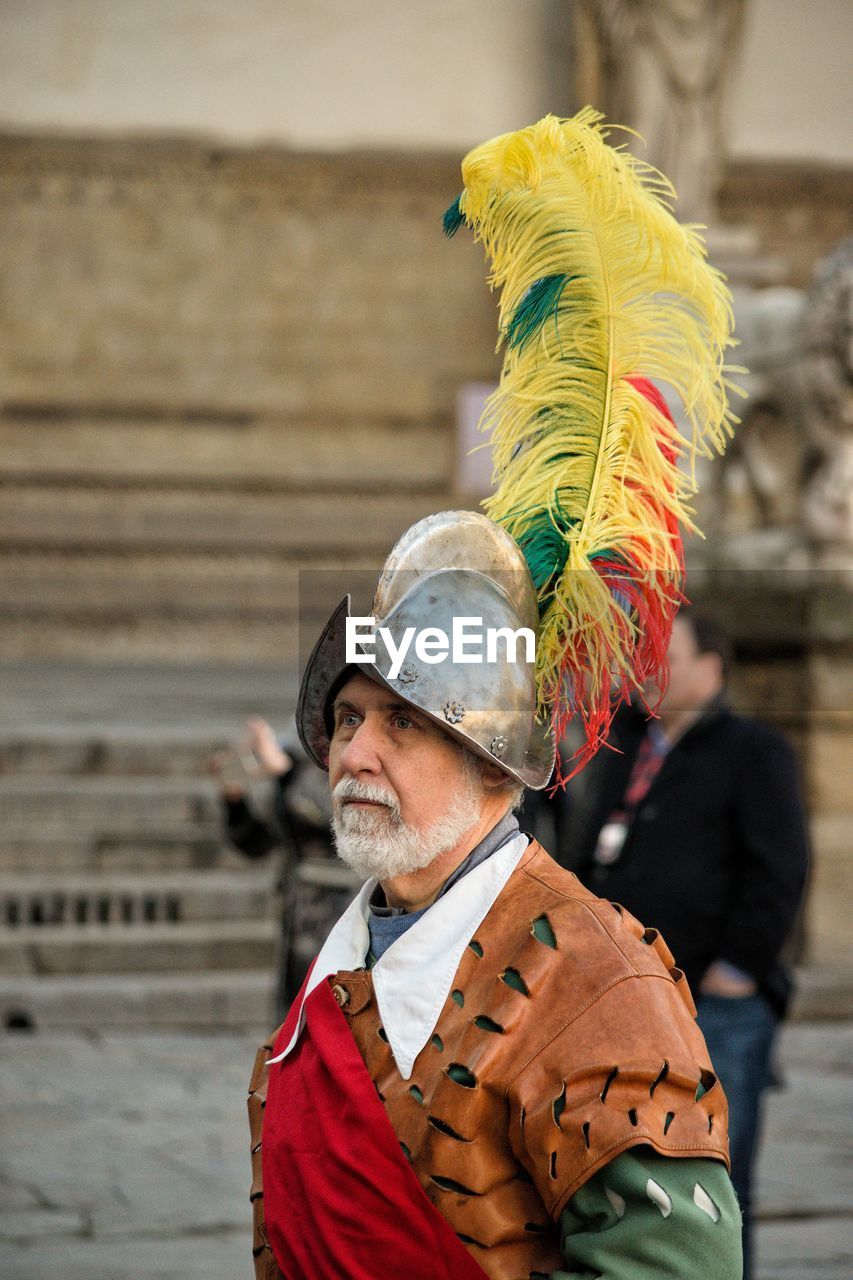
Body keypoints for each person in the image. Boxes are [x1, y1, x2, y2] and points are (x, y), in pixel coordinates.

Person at [247, 111, 744, 1279]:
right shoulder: (354, 942)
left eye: (405, 722)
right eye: (351, 716)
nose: (354, 749)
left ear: (491, 764)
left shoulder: (597, 977)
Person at [572, 610, 809, 1277]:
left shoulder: (752, 750)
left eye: (665, 653)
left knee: (719, 1181)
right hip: (627, 1000)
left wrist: (735, 969)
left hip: (716, 1005)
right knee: (643, 1181)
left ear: (711, 667)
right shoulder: (628, 746)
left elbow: (780, 867)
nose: (646, 666)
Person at [210, 716, 357, 1014]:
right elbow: (258, 843)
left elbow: (342, 819)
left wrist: (286, 772)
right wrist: (235, 801)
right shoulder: (294, 749)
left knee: (336, 1011)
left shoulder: (355, 752)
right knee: (295, 1013)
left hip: (348, 907)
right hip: (299, 913)